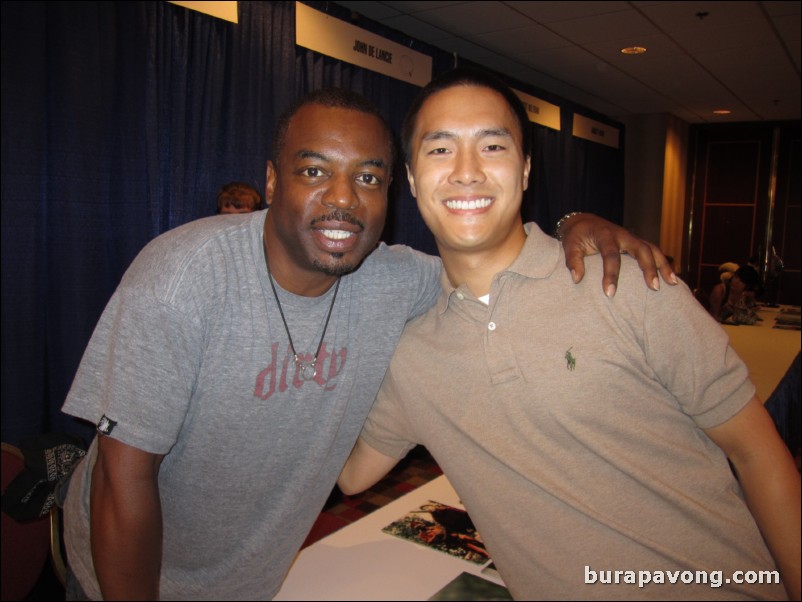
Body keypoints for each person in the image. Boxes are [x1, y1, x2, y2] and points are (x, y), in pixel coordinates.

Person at [60, 87, 675, 601]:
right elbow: (124, 480)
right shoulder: (183, 277)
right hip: (126, 578)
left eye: (369, 177)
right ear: (273, 181)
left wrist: (574, 225)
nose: (343, 198)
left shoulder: (396, 279)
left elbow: (496, 264)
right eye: (314, 171)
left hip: (255, 580)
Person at [338, 68, 801, 600]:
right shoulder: (413, 353)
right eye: (440, 150)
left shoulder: (627, 282)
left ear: (526, 168)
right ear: (413, 179)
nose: (466, 172)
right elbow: (351, 475)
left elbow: (757, 453)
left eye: (492, 146)